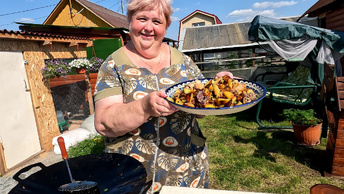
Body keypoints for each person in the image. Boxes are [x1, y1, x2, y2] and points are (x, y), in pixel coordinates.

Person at [94, 0, 233, 192]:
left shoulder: (184, 62)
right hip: (135, 173)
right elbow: (103, 123)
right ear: (129, 20)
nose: (148, 28)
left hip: (187, 169)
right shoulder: (113, 65)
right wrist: (144, 107)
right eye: (142, 19)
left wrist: (218, 86)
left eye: (157, 22)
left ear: (166, 26)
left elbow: (202, 111)